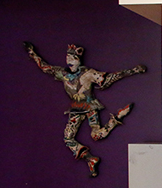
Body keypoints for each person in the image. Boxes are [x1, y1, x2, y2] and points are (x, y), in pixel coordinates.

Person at [24, 42, 146, 177]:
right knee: (68, 138)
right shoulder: (63, 73)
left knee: (96, 135)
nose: (69, 61)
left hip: (90, 107)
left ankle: (116, 118)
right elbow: (45, 68)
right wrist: (32, 53)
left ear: (79, 59)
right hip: (75, 109)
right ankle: (90, 159)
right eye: (68, 58)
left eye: (73, 58)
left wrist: (132, 71)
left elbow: (108, 79)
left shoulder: (88, 73)